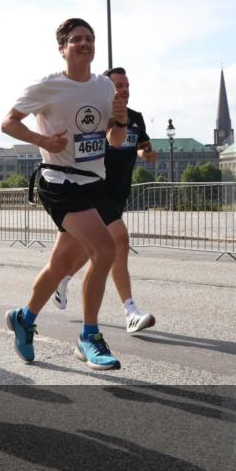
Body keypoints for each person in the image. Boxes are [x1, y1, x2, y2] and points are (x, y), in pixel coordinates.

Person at [0, 17, 128, 371]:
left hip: (93, 182)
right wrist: (43, 141)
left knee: (62, 265)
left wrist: (118, 121)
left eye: (89, 39)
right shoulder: (48, 86)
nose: (84, 44)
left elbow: (113, 142)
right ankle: (89, 336)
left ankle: (25, 318)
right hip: (60, 182)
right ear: (63, 49)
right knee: (105, 250)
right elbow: (8, 122)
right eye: (76, 40)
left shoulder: (104, 87)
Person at [52, 66, 157, 334]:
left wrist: (147, 155)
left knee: (89, 251)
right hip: (93, 189)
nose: (124, 90)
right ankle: (130, 311)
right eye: (118, 85)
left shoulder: (136, 118)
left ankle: (60, 279)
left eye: (127, 85)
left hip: (118, 193)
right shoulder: (94, 117)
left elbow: (143, 146)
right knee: (119, 241)